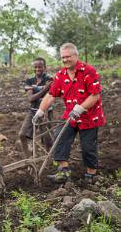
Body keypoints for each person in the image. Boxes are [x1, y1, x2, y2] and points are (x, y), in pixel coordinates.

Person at [33, 43, 106, 184]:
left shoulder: (89, 71)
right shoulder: (61, 74)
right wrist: (41, 111)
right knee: (60, 138)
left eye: (68, 57)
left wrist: (80, 108)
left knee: (88, 147)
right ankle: (63, 171)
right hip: (70, 115)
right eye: (63, 57)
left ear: (75, 56)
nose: (65, 60)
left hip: (89, 116)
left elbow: (95, 95)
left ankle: (91, 175)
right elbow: (51, 95)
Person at [17, 57, 53, 158]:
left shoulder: (49, 79)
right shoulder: (29, 80)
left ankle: (49, 159)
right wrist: (45, 88)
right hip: (33, 111)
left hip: (46, 111)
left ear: (44, 68)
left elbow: (49, 96)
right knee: (22, 135)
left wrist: (35, 89)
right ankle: (29, 158)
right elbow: (31, 99)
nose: (38, 69)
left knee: (47, 139)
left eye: (40, 67)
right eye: (36, 67)